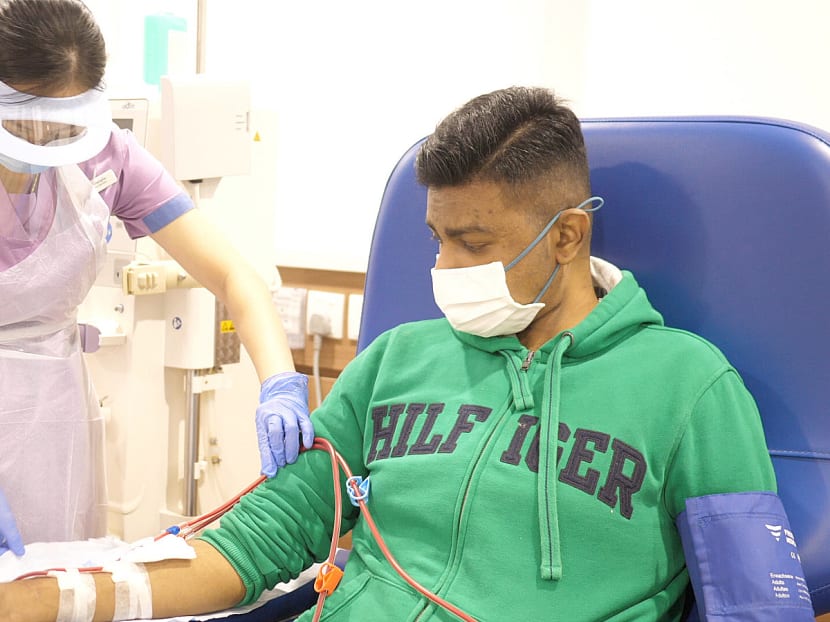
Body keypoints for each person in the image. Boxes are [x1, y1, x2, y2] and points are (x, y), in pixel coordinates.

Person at [0, 86, 813, 621]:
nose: (444, 271)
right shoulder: (397, 362)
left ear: (567, 235)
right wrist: (47, 599)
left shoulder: (690, 389)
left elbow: (754, 604)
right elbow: (257, 542)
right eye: (435, 239)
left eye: (474, 242)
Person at [0, 0, 313, 555]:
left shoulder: (107, 160)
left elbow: (233, 274)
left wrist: (279, 385)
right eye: (24, 125)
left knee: (54, 577)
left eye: (63, 127)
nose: (44, 144)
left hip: (53, 412)